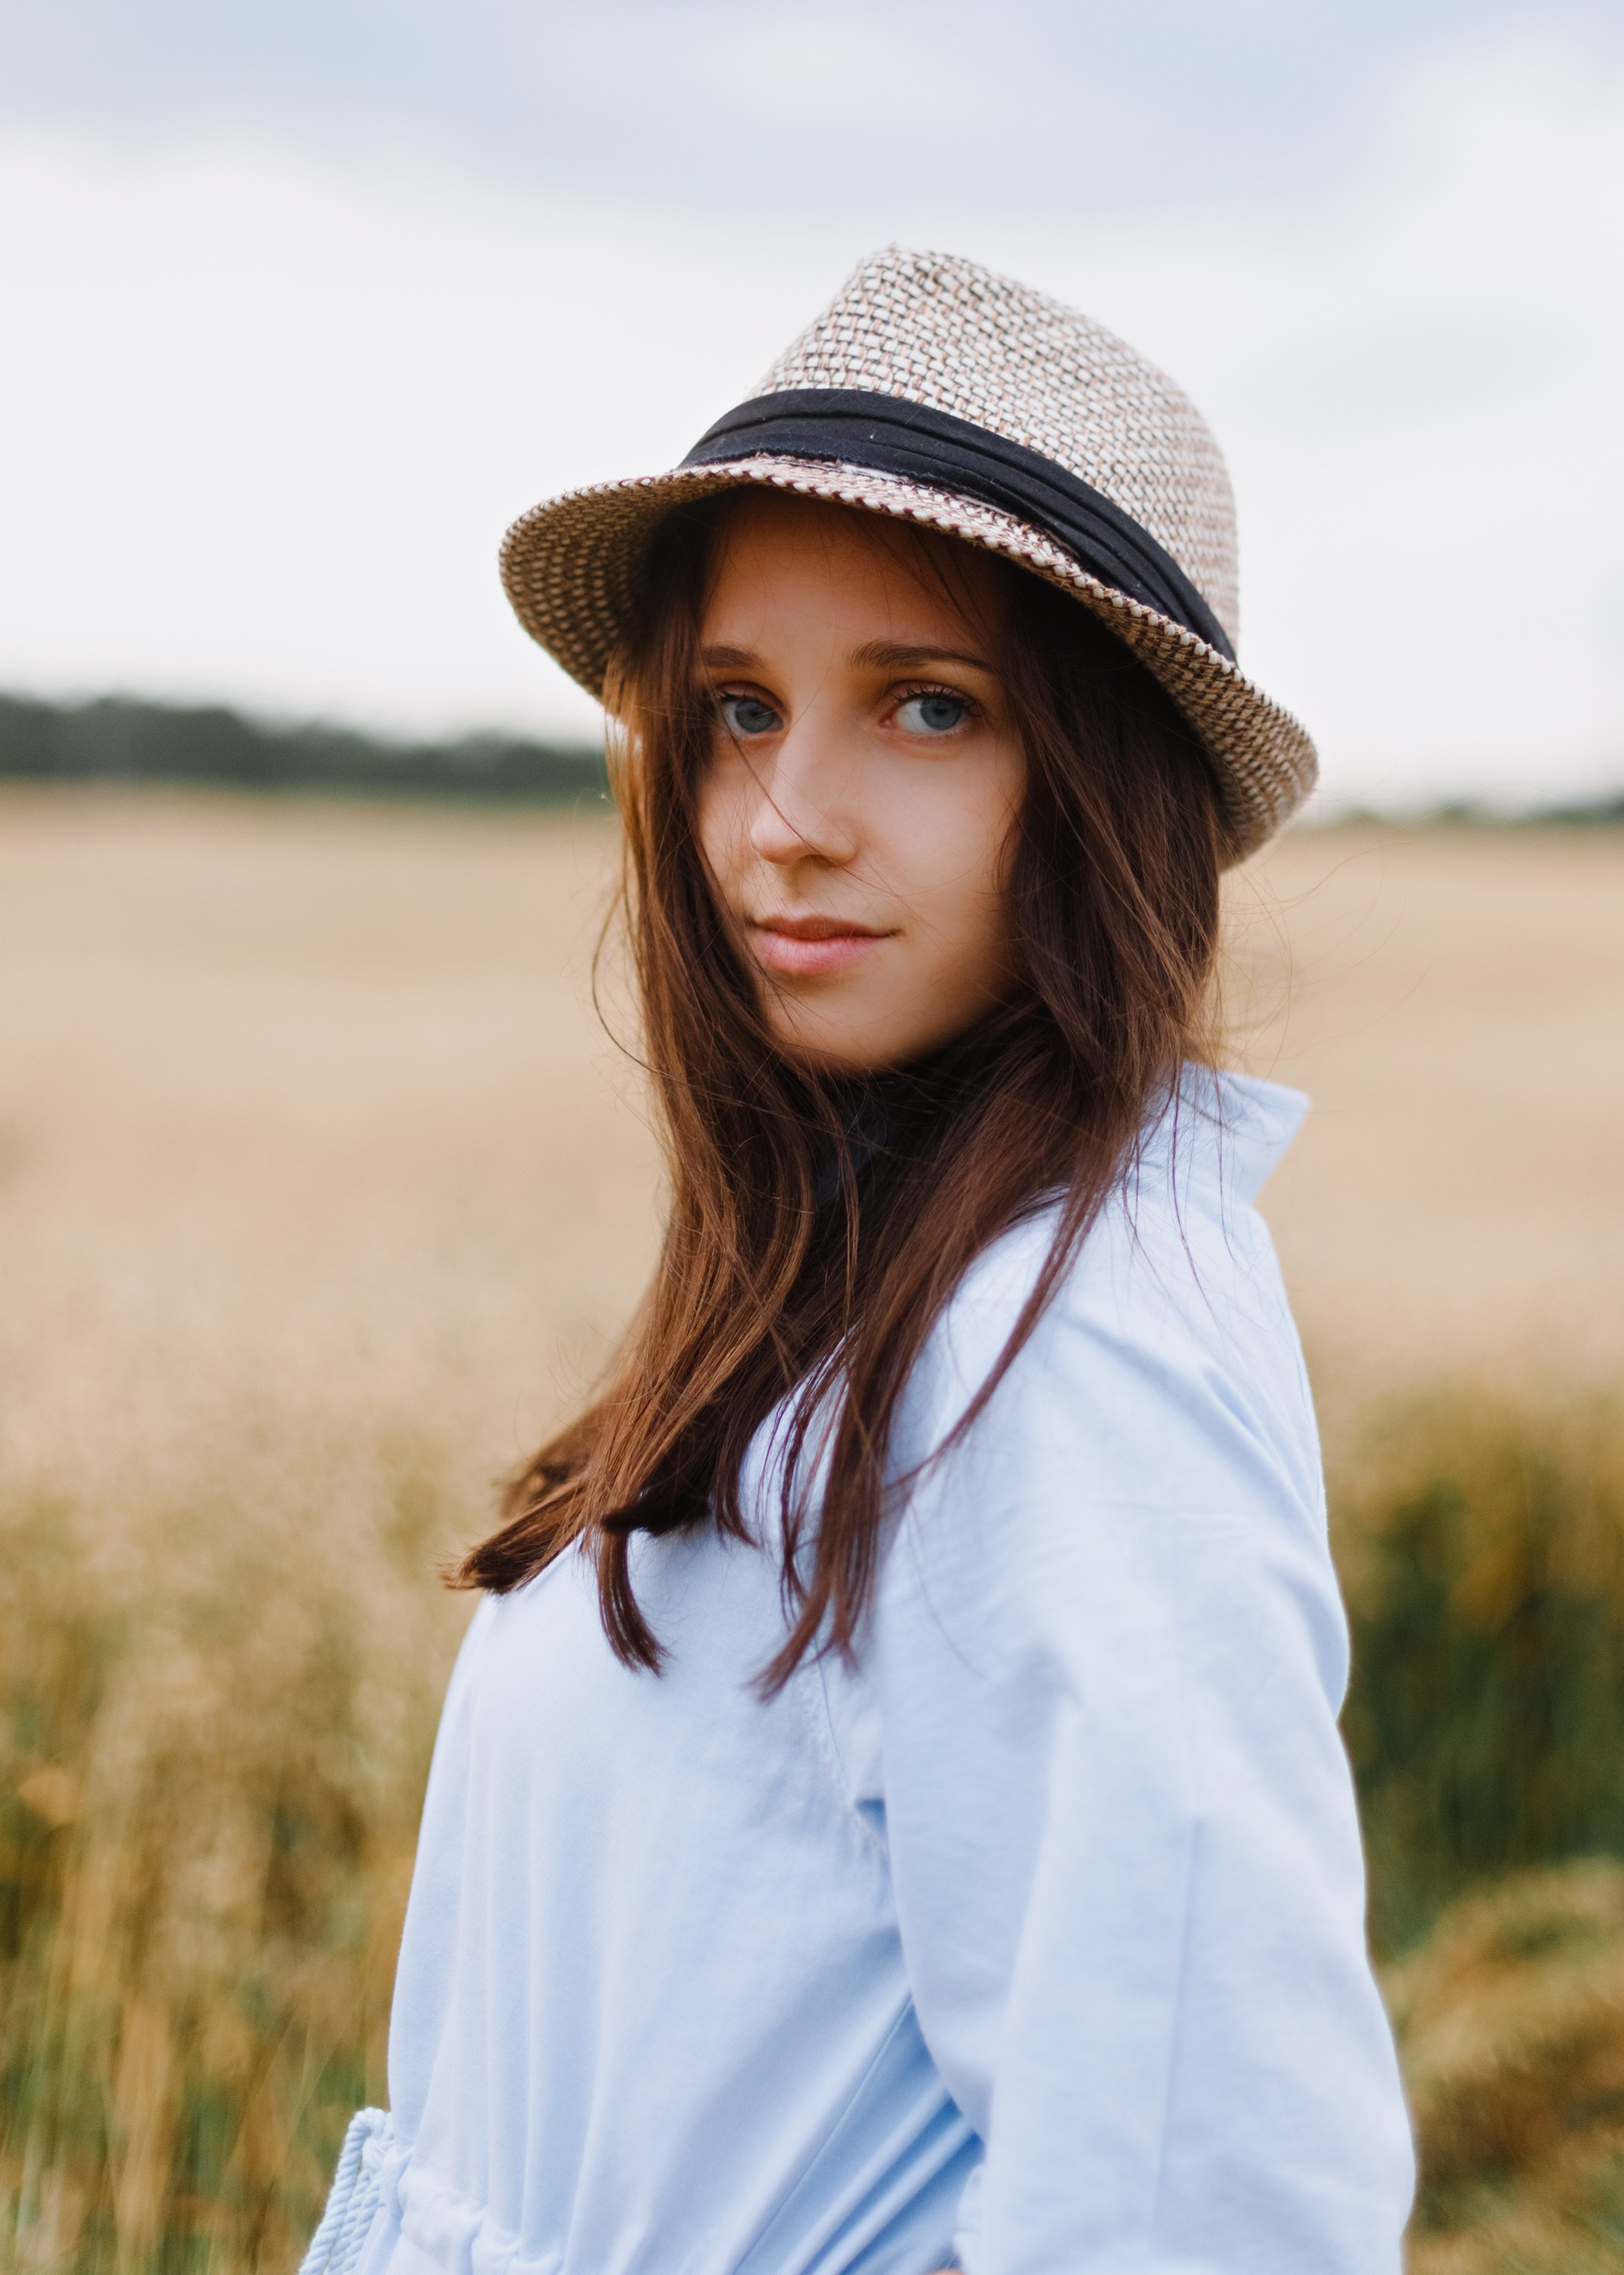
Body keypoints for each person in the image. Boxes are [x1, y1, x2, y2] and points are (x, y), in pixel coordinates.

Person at [301, 247, 1415, 2275]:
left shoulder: (1062, 1364)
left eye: (927, 706)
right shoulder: (866, 1290)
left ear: (1109, 786)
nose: (783, 820)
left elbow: (1205, 2205)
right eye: (735, 710)